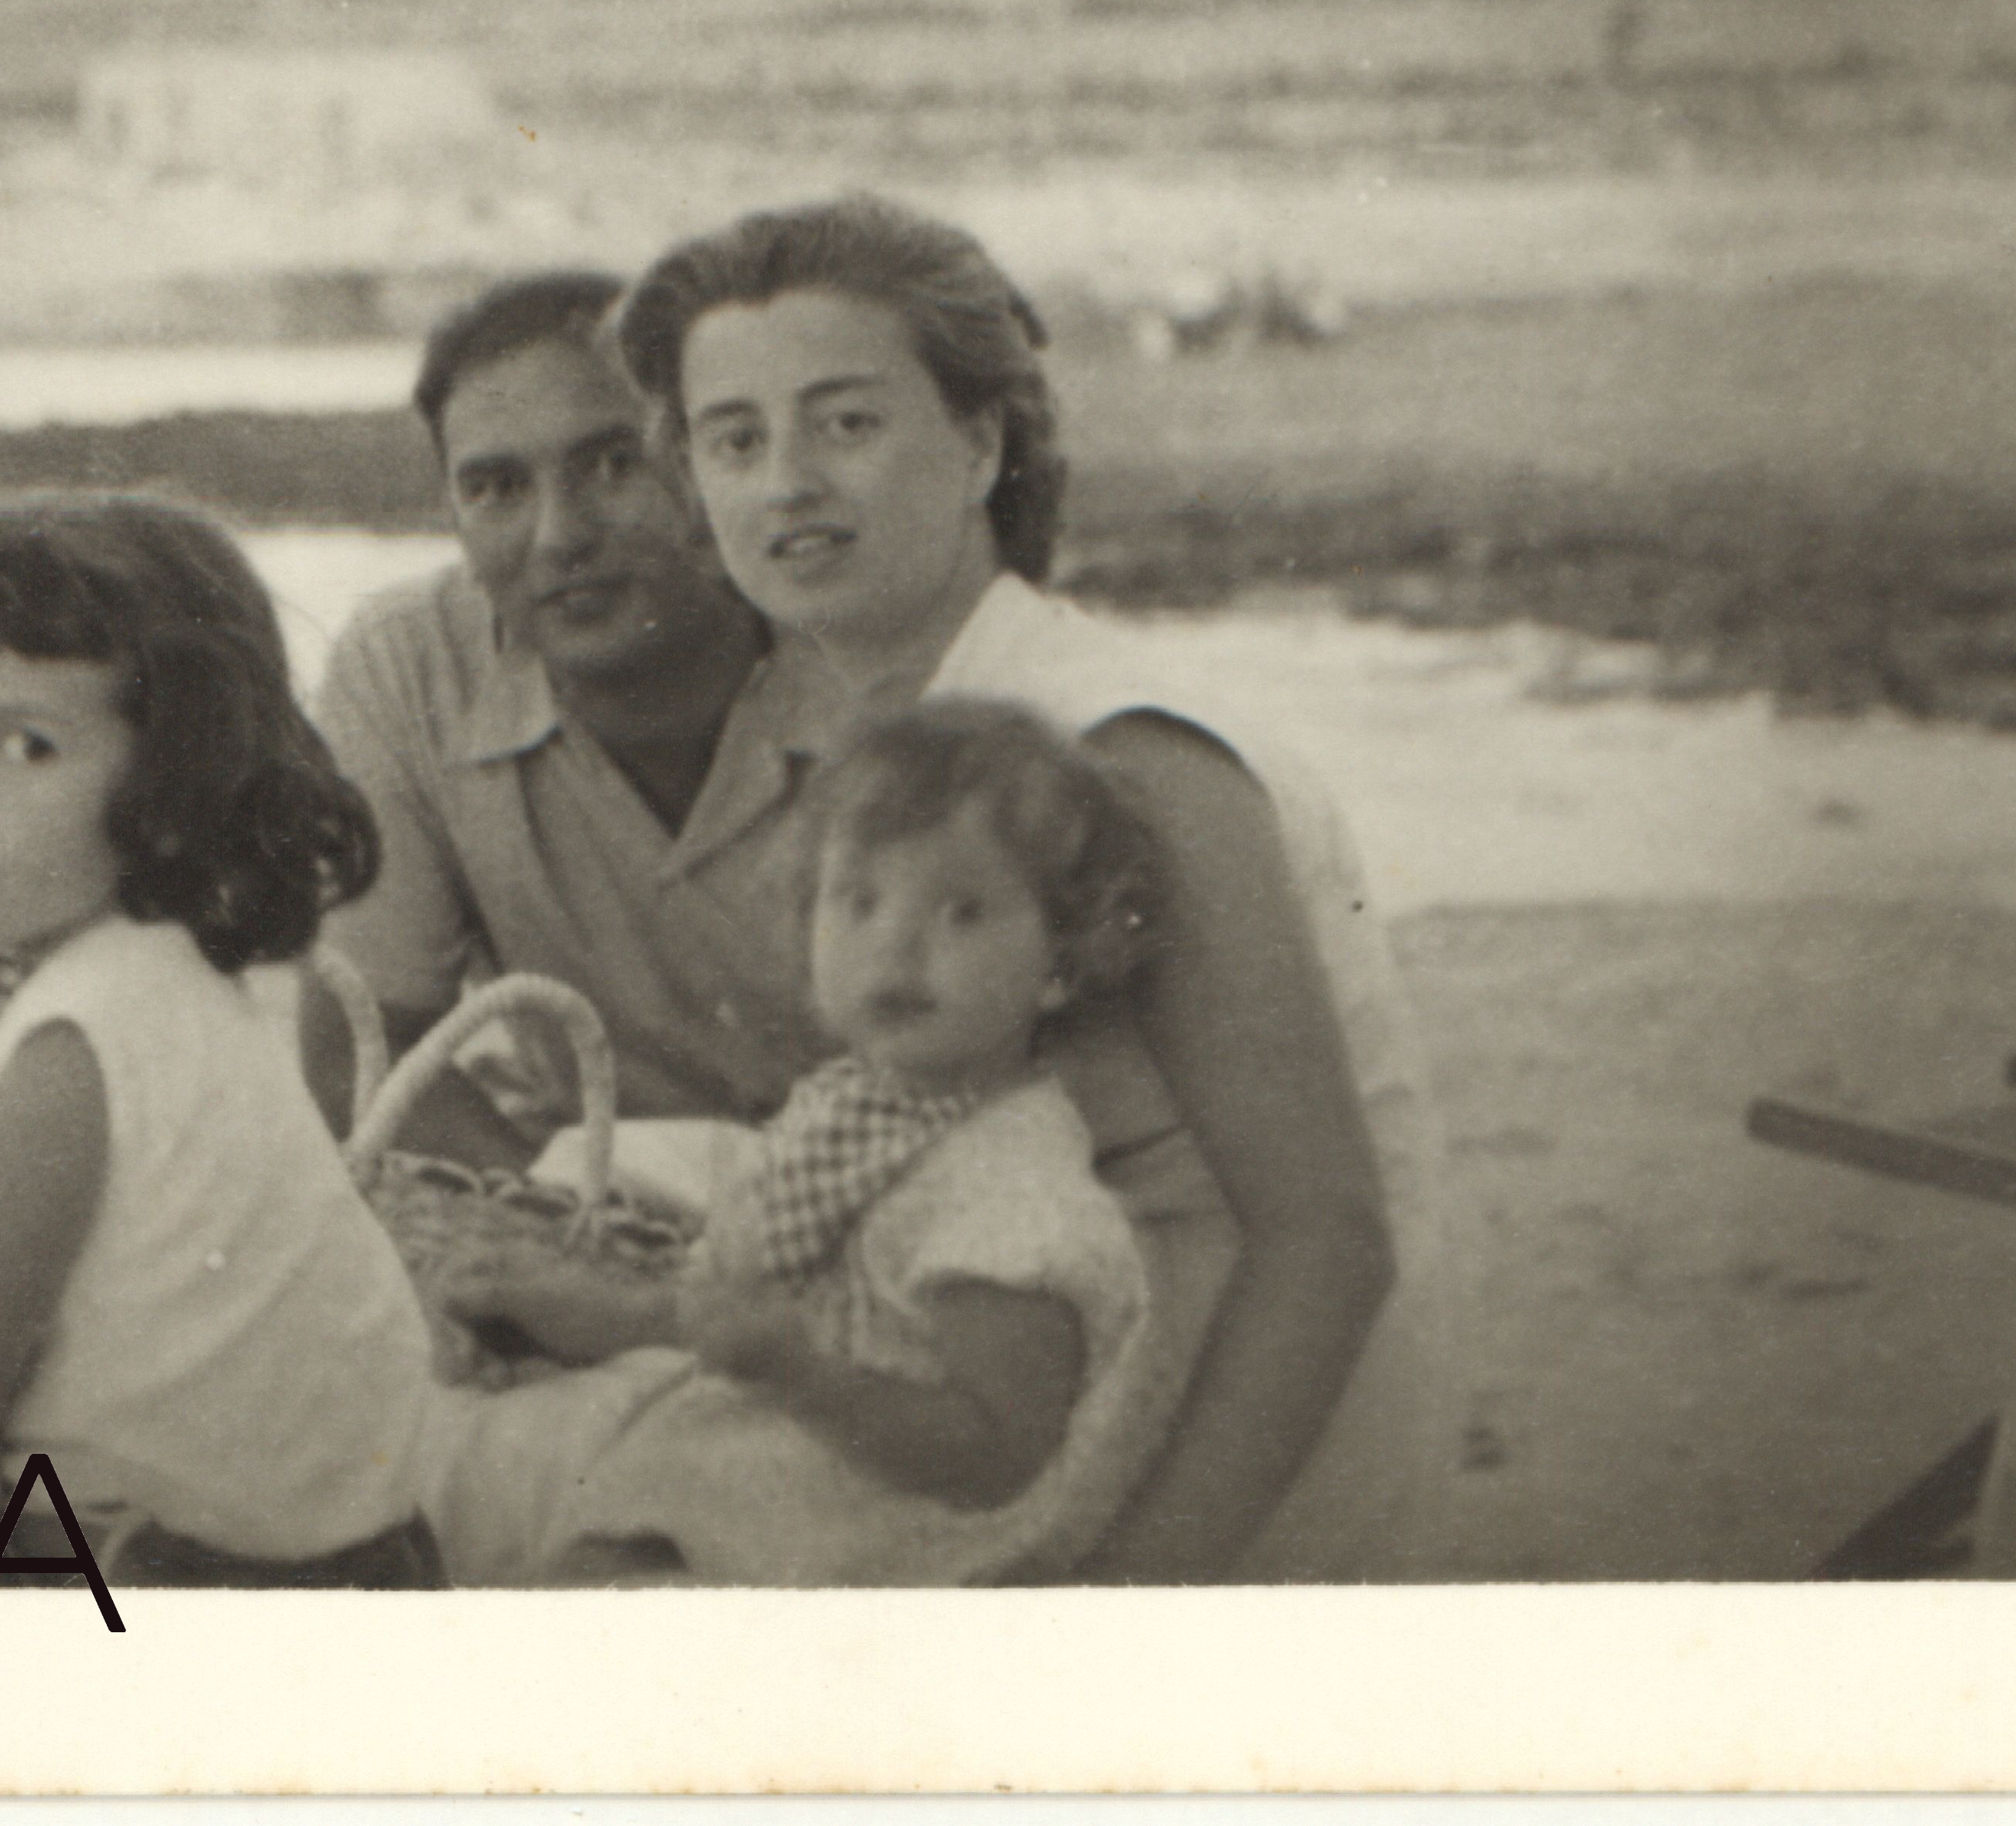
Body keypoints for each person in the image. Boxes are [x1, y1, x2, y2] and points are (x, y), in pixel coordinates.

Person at [614, 191, 1452, 1583]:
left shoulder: (1120, 745)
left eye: (846, 421)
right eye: (734, 438)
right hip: (1044, 1392)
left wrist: (1112, 1616)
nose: (787, 482)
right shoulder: (933, 736)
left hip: (1220, 1473)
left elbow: (1328, 1243)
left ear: (981, 443)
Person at [0, 498, 445, 1587]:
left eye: (27, 746)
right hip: (355, 1543)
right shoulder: (168, 971)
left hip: (194, 1579)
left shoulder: (70, 1044)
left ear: (174, 782)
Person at [425, 698, 1183, 1585]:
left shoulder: (1013, 1190)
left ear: (1060, 964)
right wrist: (598, 1316)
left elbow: (996, 1457)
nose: (896, 946)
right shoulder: (859, 1106)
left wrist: (797, 1373)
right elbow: (752, 1301)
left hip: (885, 1547)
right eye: (858, 900)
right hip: (768, 1471)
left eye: (962, 912)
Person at [304, 272, 837, 1160]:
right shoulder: (411, 665)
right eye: (496, 487)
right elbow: (360, 1061)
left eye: (615, 464)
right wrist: (568, 1223)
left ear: (716, 463)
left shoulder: (863, 634)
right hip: (593, 1196)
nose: (559, 536)